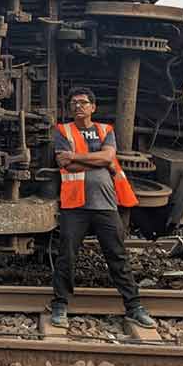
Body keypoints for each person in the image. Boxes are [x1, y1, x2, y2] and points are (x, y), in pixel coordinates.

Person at [49, 87, 155, 328]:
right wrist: (98, 161)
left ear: (93, 107)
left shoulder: (105, 130)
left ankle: (134, 306)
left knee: (117, 255)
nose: (78, 106)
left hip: (105, 205)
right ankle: (59, 304)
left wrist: (78, 157)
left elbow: (108, 158)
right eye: (74, 103)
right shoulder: (62, 130)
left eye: (83, 102)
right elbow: (65, 164)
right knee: (66, 255)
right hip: (75, 204)